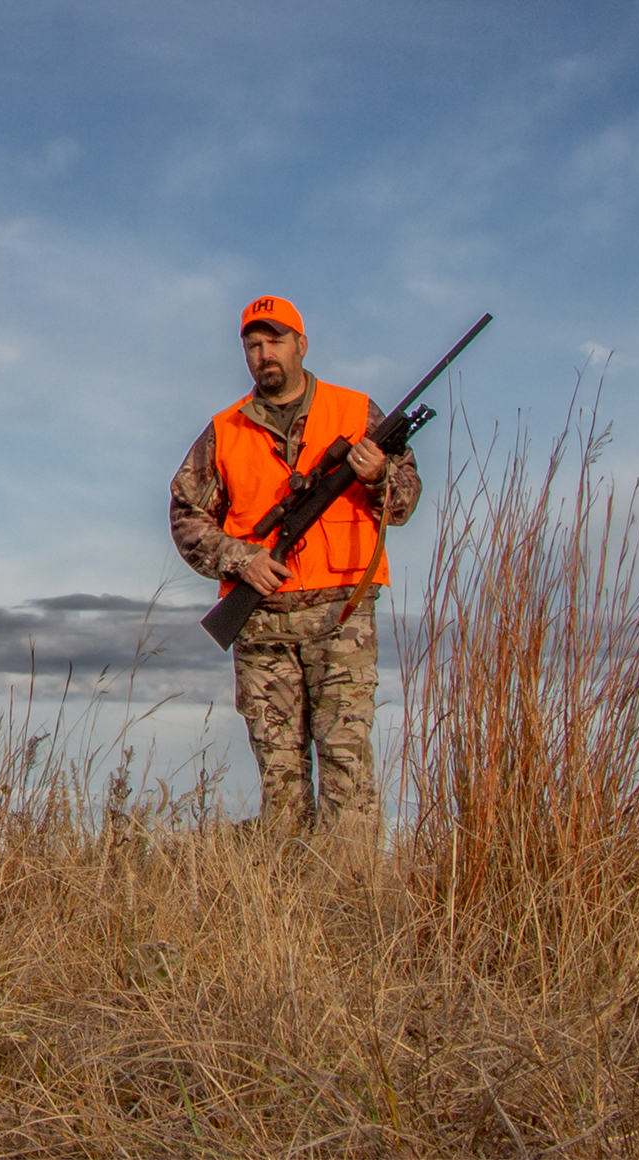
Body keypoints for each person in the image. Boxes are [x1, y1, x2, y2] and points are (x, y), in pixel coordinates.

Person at [170, 295, 420, 836]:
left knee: (347, 770)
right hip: (261, 622)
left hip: (341, 620)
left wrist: (376, 477)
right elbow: (186, 515)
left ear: (301, 345)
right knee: (281, 784)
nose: (265, 354)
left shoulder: (356, 413)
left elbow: (403, 502)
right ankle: (284, 909)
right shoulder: (225, 429)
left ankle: (350, 899)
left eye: (275, 340)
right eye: (253, 345)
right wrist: (242, 558)